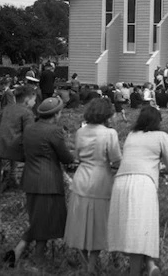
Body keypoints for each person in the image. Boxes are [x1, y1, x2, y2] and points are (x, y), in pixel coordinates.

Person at [108, 106, 168, 276]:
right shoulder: (162, 136)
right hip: (143, 183)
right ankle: (137, 270)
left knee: (130, 230)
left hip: (121, 182)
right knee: (141, 230)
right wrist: (159, 166)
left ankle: (148, 264)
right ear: (158, 121)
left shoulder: (132, 135)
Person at [4, 97, 74, 267]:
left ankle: (18, 252)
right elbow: (66, 157)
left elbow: (17, 146)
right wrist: (72, 157)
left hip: (30, 179)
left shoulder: (29, 129)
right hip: (48, 181)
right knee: (46, 221)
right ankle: (37, 259)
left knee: (39, 219)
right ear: (56, 114)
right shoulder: (54, 131)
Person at [64, 98, 122, 274]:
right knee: (98, 225)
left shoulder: (81, 132)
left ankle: (84, 262)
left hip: (81, 178)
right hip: (100, 180)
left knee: (79, 222)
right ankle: (91, 266)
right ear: (106, 114)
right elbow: (116, 159)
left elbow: (77, 156)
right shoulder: (110, 134)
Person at [0, 85, 37, 192]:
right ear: (27, 100)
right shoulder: (27, 113)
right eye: (34, 100)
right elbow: (29, 135)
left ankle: (10, 178)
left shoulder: (7, 108)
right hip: (13, 149)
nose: (35, 103)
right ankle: (23, 183)